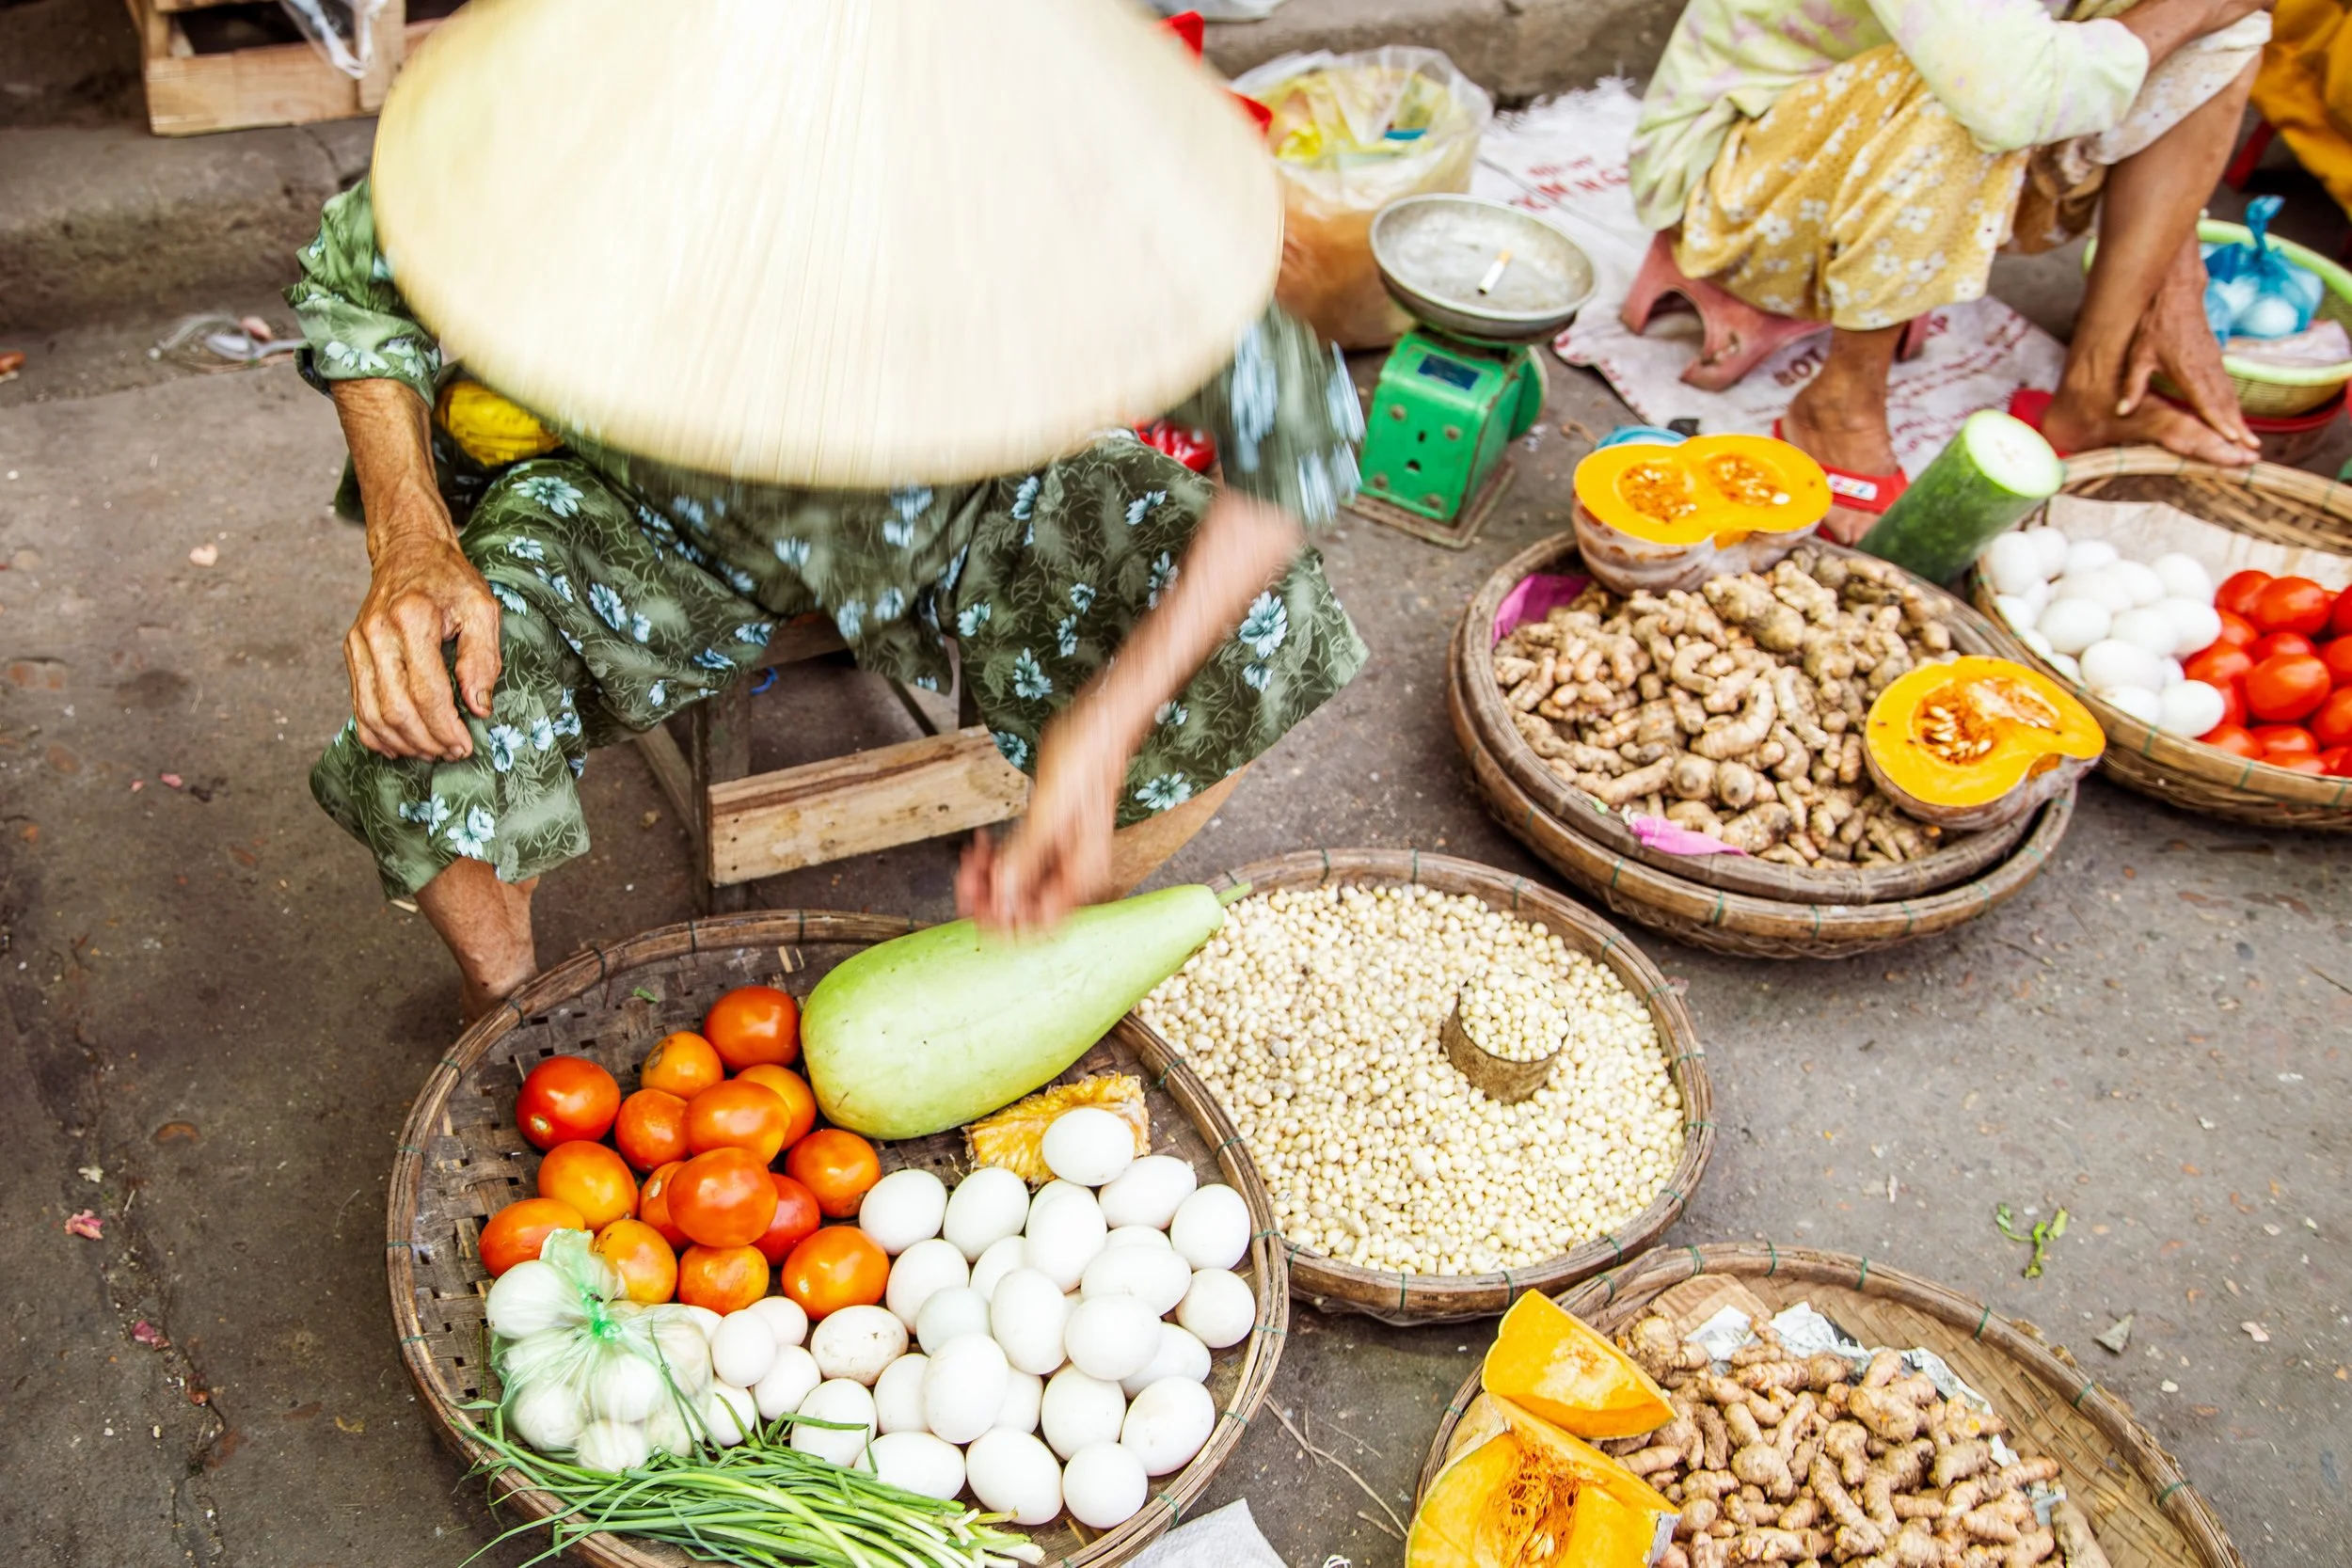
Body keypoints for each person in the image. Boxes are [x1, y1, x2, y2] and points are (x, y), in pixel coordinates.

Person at [289, 182, 1368, 1022]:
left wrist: (1104, 736)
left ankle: (1022, 980)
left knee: (1259, 622)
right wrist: (410, 537)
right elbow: (361, 269)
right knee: (428, 706)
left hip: (954, 488)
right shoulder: (591, 92)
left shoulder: (1029, 143)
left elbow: (1295, 420)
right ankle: (503, 1018)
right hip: (643, 504)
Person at [1627, 0, 2277, 539]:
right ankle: (1838, 404)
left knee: (2225, 38)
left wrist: (2178, 270)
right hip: (1743, 182)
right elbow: (2003, 92)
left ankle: (2092, 391)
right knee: (1986, 87)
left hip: (1901, 147)